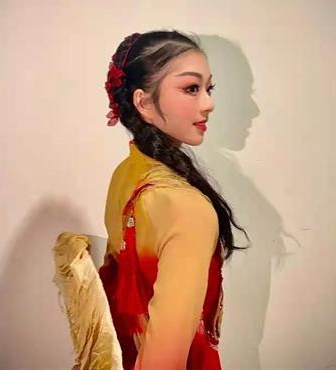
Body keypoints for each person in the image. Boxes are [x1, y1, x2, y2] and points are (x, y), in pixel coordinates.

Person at [98, 30, 249, 370]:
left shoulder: (127, 173)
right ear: (143, 102)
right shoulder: (186, 208)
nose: (208, 103)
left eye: (209, 89)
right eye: (191, 88)